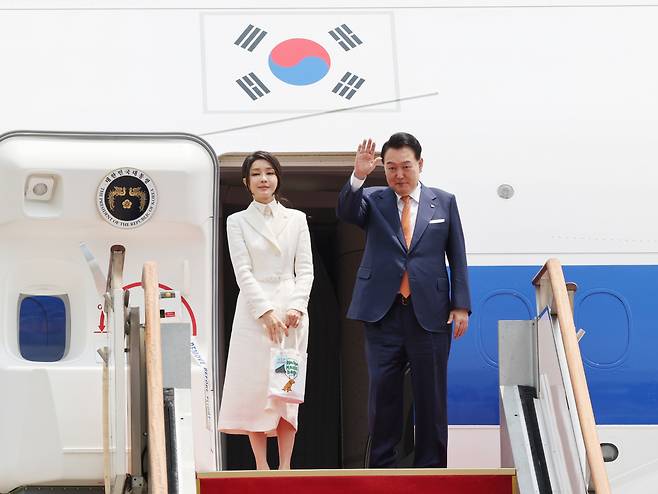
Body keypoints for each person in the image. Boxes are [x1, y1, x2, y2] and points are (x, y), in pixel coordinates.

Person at [336, 132, 471, 468]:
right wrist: (359, 176)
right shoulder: (373, 198)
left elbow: (457, 256)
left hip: (431, 313)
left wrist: (460, 305)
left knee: (431, 395)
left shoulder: (445, 202)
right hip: (384, 312)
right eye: (391, 167)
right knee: (384, 394)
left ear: (420, 165)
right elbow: (347, 211)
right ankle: (382, 468)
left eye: (406, 167)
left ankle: (431, 469)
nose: (398, 174)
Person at [218, 151, 314, 470]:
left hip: (290, 311)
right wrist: (265, 311)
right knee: (255, 388)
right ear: (247, 183)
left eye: (269, 172)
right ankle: (261, 465)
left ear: (277, 179)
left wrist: (297, 307)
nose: (263, 178)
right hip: (253, 312)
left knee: (286, 387)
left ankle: (286, 465)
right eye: (256, 173)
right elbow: (242, 271)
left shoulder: (297, 219)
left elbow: (306, 270)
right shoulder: (237, 221)